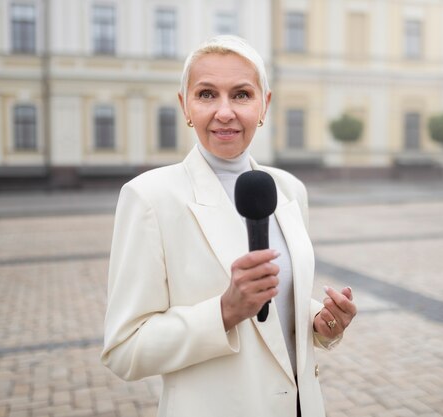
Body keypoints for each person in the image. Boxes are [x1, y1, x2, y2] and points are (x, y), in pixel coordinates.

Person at [101, 35, 357, 417]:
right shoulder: (149, 198)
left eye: (241, 94)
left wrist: (321, 321)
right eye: (206, 95)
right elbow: (125, 350)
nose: (224, 112)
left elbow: (277, 309)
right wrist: (223, 311)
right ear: (184, 104)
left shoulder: (289, 190)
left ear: (264, 105)